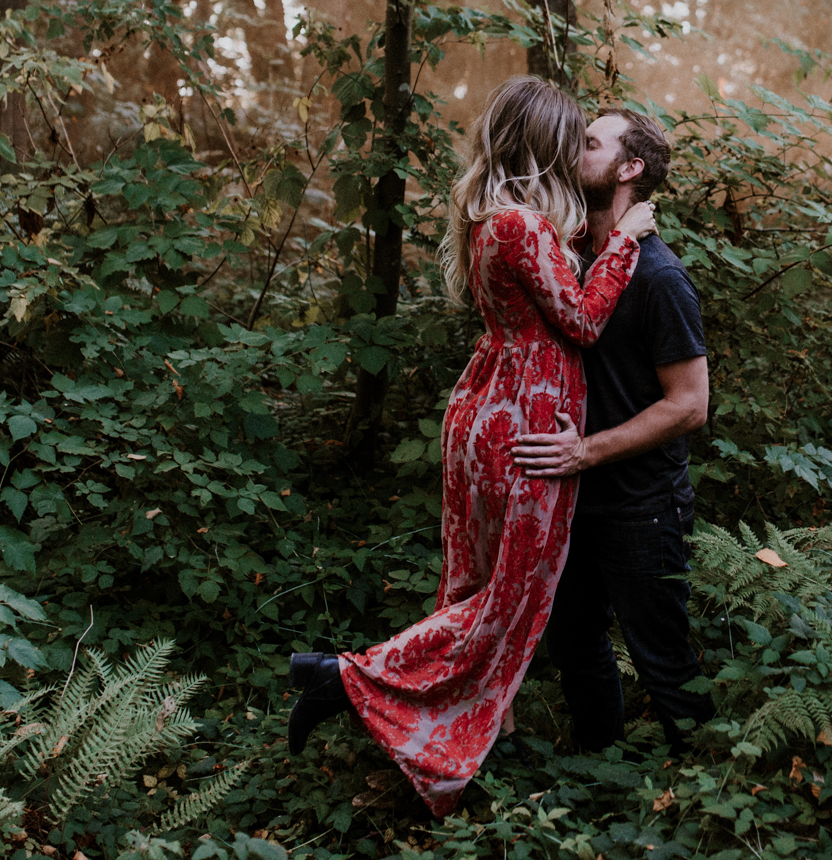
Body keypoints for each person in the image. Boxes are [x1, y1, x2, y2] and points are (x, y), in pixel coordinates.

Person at [284, 75, 659, 817]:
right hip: (524, 422)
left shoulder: (501, 215)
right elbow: (582, 321)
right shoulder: (521, 224)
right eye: (572, 136)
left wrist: (595, 233)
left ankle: (470, 744)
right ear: (545, 143)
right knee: (513, 597)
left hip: (489, 410)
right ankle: (343, 678)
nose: (578, 147)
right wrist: (624, 241)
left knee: (472, 583)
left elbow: (553, 278)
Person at [513, 108, 716, 752]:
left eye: (591, 143)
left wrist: (585, 451)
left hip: (640, 504)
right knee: (573, 643)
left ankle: (713, 792)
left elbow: (689, 405)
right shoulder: (568, 259)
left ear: (629, 170)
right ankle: (593, 766)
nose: (574, 149)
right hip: (569, 498)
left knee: (663, 660)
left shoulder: (660, 278)